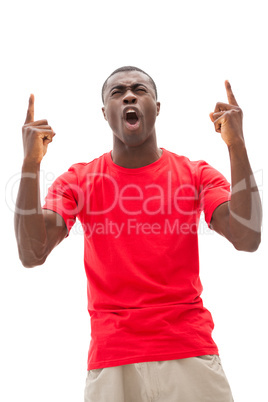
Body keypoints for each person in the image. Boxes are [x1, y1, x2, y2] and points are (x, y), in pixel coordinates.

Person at [15, 66, 262, 402]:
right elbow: (32, 253)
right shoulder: (78, 180)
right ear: (106, 114)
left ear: (156, 108)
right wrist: (31, 163)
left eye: (139, 90)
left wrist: (237, 145)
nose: (129, 95)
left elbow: (247, 237)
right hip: (113, 360)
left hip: (188, 352)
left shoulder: (195, 174)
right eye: (117, 92)